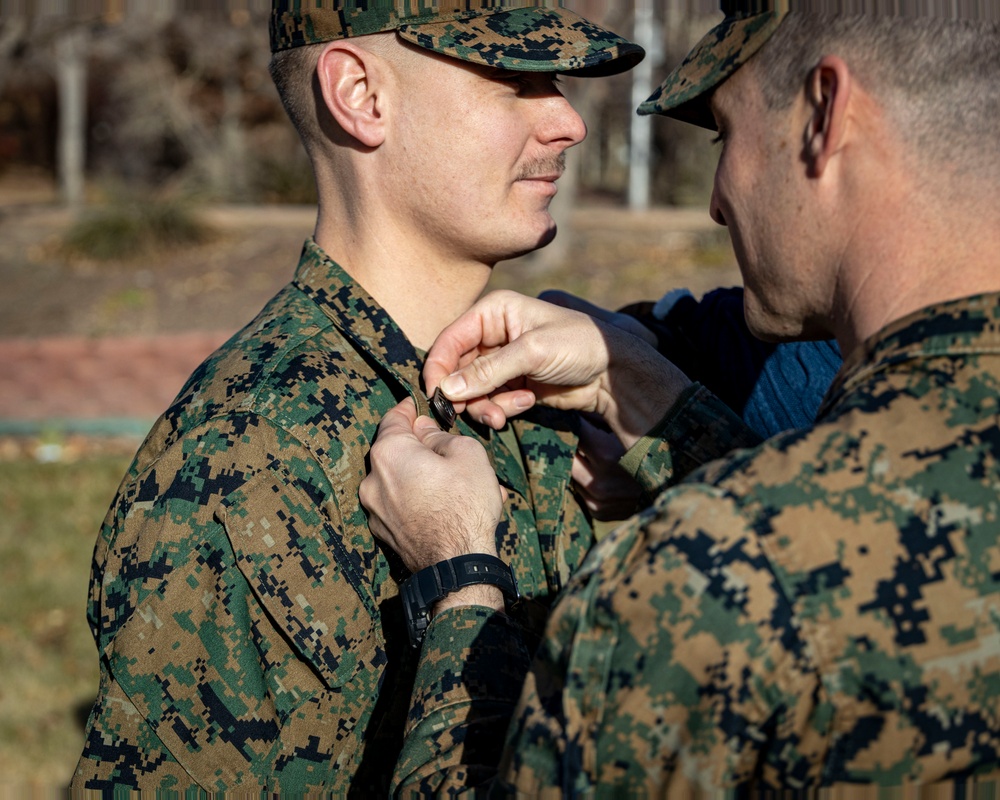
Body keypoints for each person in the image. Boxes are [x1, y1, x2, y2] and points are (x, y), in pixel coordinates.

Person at [360, 2, 1000, 795]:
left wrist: (458, 582)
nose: (716, 202)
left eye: (725, 133)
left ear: (825, 117)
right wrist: (648, 398)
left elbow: (797, 560)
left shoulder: (703, 572)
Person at [71, 2, 645, 793]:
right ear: (361, 96)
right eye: (515, 79)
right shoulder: (240, 458)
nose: (568, 122)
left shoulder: (536, 387)